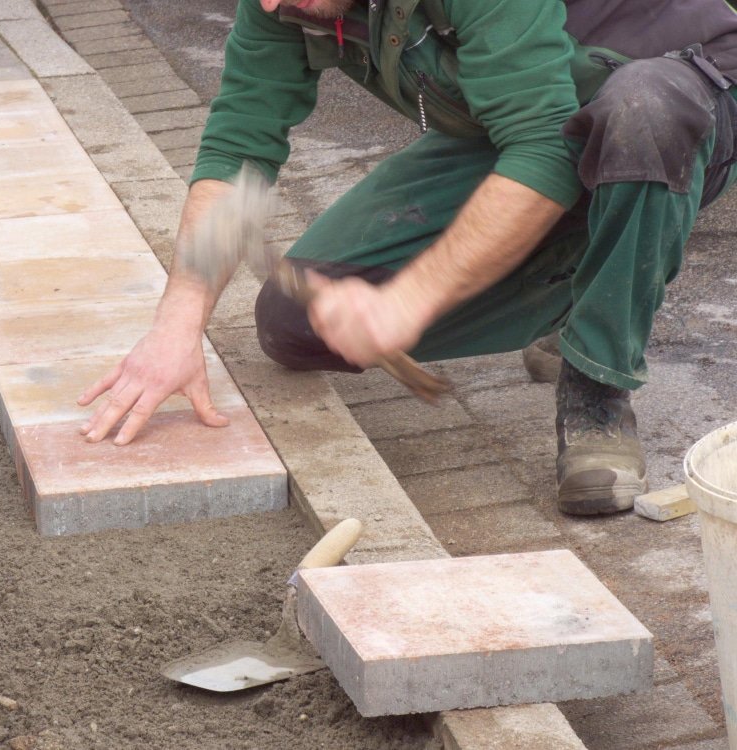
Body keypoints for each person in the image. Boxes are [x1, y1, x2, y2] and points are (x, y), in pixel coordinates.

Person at [77, 0, 737, 516]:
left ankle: (598, 386)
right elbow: (236, 149)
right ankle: (587, 287)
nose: (273, 6)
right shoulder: (287, 2)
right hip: (532, 111)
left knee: (637, 116)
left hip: (675, 91)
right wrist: (177, 325)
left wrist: (410, 300)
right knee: (295, 321)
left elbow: (541, 154)